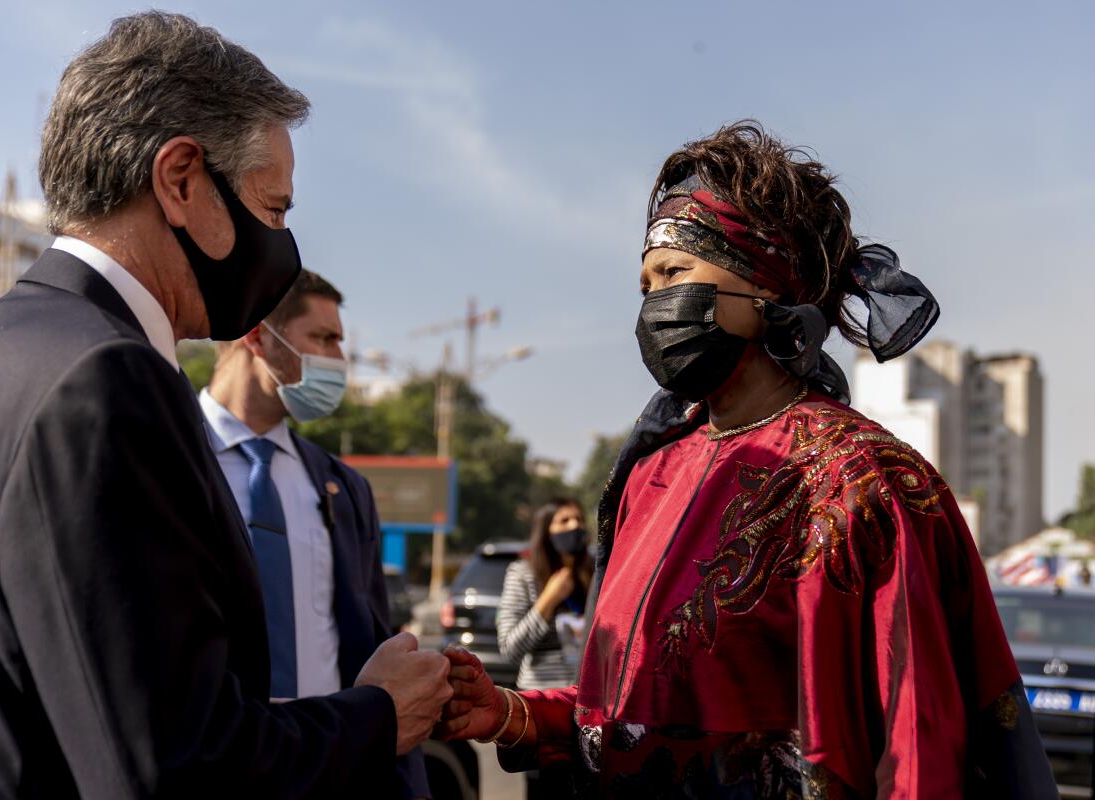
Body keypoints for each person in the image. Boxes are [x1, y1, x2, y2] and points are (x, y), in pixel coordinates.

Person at [0, 13, 451, 798]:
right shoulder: (108, 379)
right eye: (274, 209)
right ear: (182, 179)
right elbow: (174, 764)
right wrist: (378, 715)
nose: (282, 245)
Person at [436, 121, 1056, 797]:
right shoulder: (650, 473)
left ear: (767, 290)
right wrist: (514, 714)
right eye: (645, 285)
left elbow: (917, 745)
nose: (653, 305)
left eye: (674, 273)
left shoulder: (863, 483)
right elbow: (628, 718)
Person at [200, 268, 430, 798]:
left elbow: (369, 642)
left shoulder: (343, 488)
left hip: (330, 768)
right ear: (257, 334)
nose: (339, 361)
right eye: (323, 338)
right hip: (212, 768)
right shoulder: (167, 456)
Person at [498, 498, 593, 690]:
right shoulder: (523, 574)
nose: (575, 525)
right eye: (564, 521)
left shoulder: (596, 572)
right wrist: (548, 600)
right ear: (545, 531)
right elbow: (510, 650)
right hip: (541, 697)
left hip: (587, 696)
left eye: (579, 519)